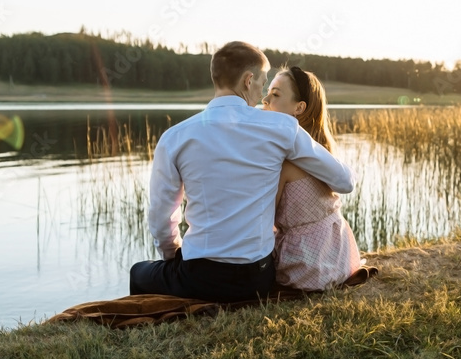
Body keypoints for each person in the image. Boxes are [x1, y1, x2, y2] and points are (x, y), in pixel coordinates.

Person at [129, 42, 354, 303]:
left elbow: (161, 216)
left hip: (199, 276)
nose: (262, 95)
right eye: (262, 82)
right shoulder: (282, 127)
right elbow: (344, 181)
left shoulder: (174, 137)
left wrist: (172, 256)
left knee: (139, 272)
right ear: (248, 80)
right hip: (257, 278)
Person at [262, 66, 362, 291]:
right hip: (340, 257)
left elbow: (264, 220)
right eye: (268, 92)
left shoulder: (284, 163)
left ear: (299, 107)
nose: (265, 99)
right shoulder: (322, 153)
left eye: (275, 94)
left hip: (305, 266)